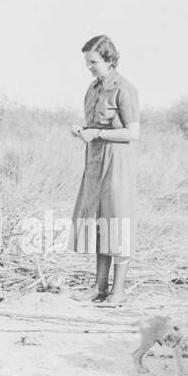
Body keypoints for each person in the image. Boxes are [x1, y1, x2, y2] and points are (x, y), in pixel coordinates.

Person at [70, 34, 140, 305]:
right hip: (96, 160)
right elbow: (96, 126)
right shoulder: (94, 88)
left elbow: (132, 133)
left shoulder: (124, 88)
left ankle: (118, 291)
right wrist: (84, 131)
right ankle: (99, 287)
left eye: (94, 61)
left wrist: (97, 132)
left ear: (110, 60)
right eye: (87, 62)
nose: (89, 66)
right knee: (101, 222)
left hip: (118, 162)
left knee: (118, 222)